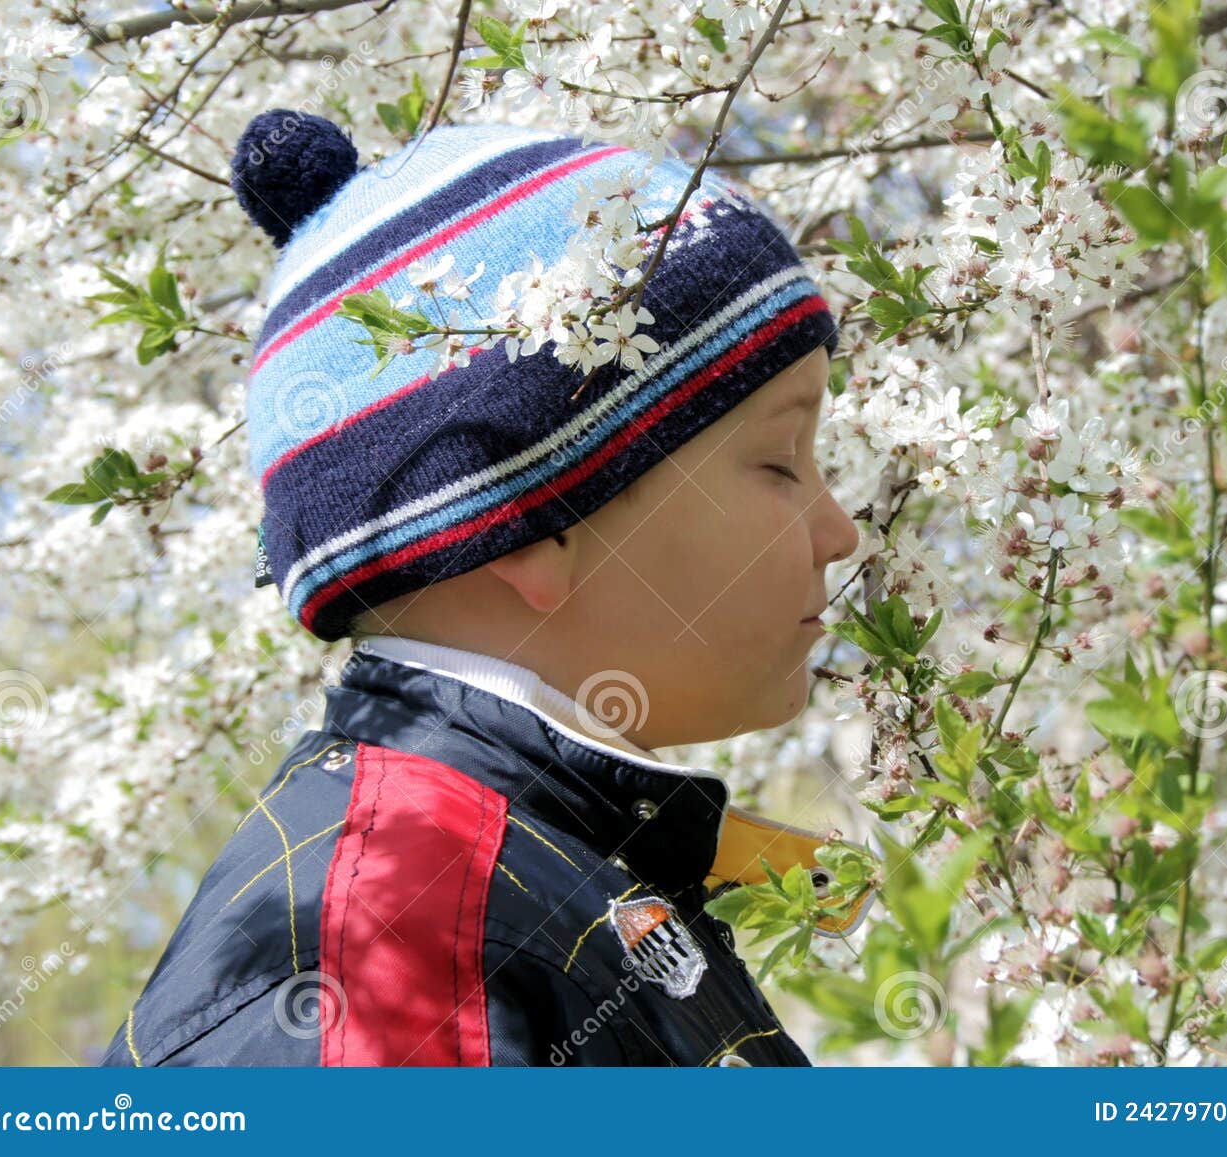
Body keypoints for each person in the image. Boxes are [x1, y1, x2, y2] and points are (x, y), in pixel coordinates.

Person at [101, 108, 873, 1067]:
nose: (839, 532)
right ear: (529, 519)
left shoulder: (529, 878)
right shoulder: (391, 949)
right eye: (779, 461)